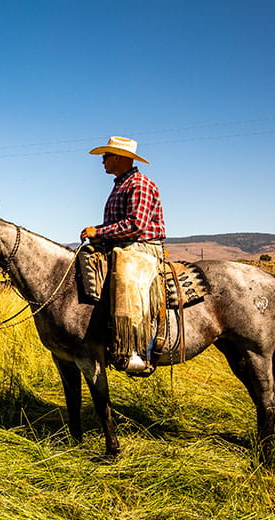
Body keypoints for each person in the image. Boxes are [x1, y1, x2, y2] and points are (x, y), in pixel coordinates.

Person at [80, 136, 166, 374]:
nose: (102, 161)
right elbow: (119, 224)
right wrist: (98, 235)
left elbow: (135, 225)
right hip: (121, 244)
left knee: (126, 280)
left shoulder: (139, 184)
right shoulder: (121, 184)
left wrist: (99, 231)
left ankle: (137, 350)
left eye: (105, 156)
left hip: (140, 247)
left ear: (118, 157)